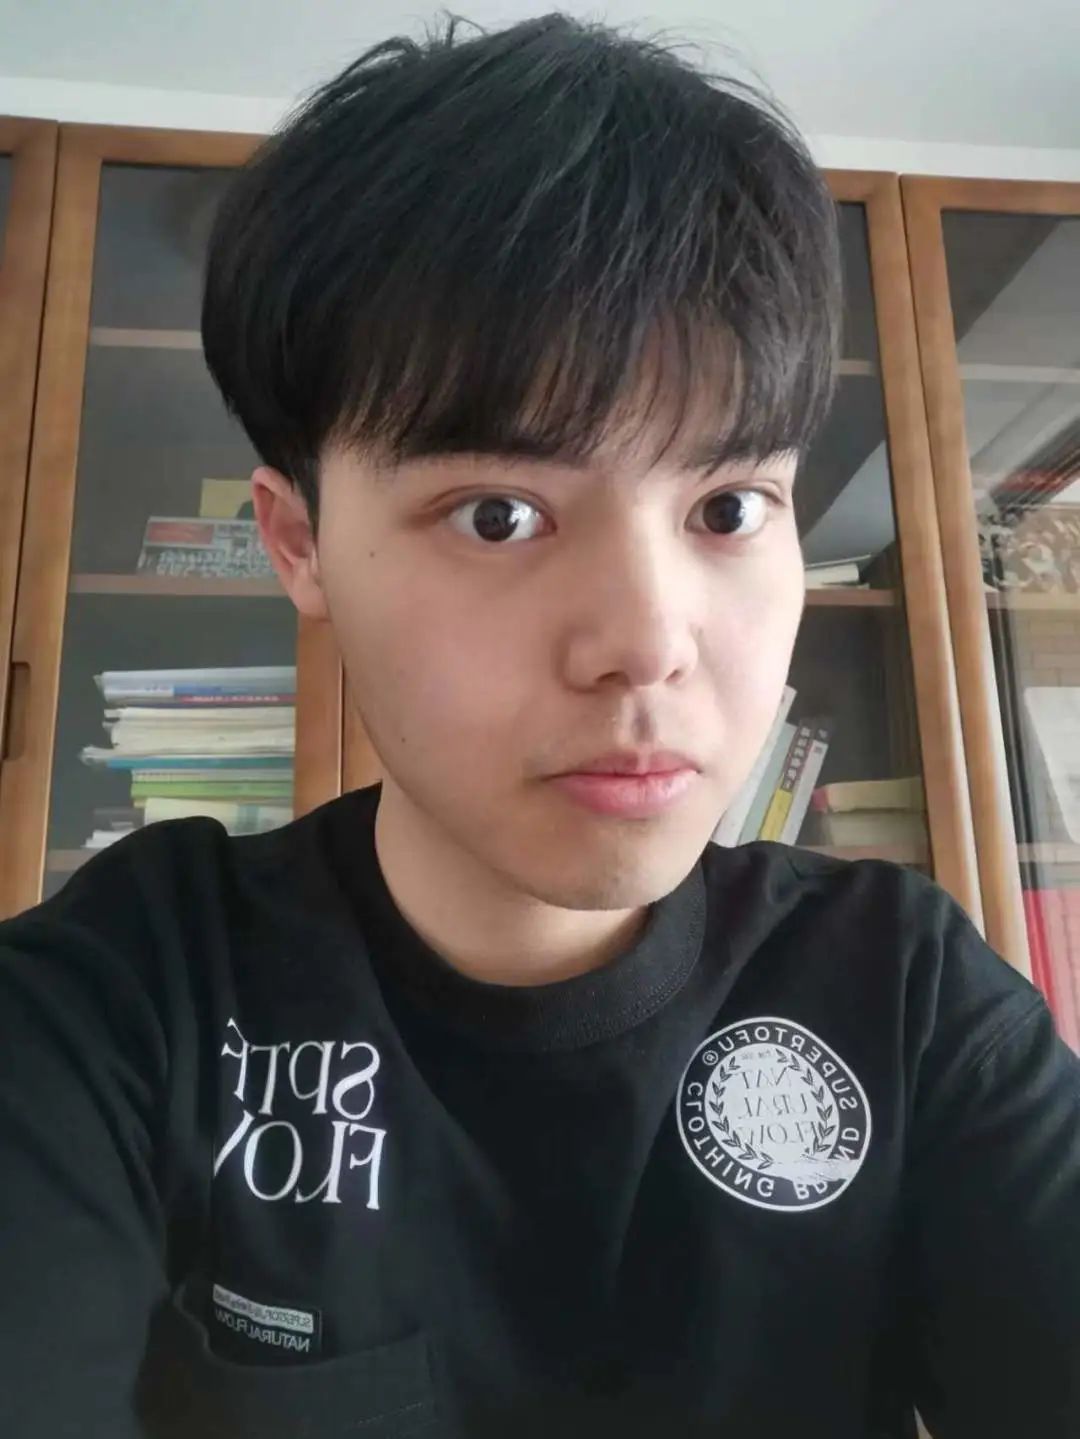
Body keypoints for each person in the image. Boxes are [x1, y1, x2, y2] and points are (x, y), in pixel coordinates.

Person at [1, 13, 1078, 1439]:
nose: (647, 641)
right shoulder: (111, 1012)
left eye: (727, 507)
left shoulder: (908, 996)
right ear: (300, 541)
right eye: (499, 515)